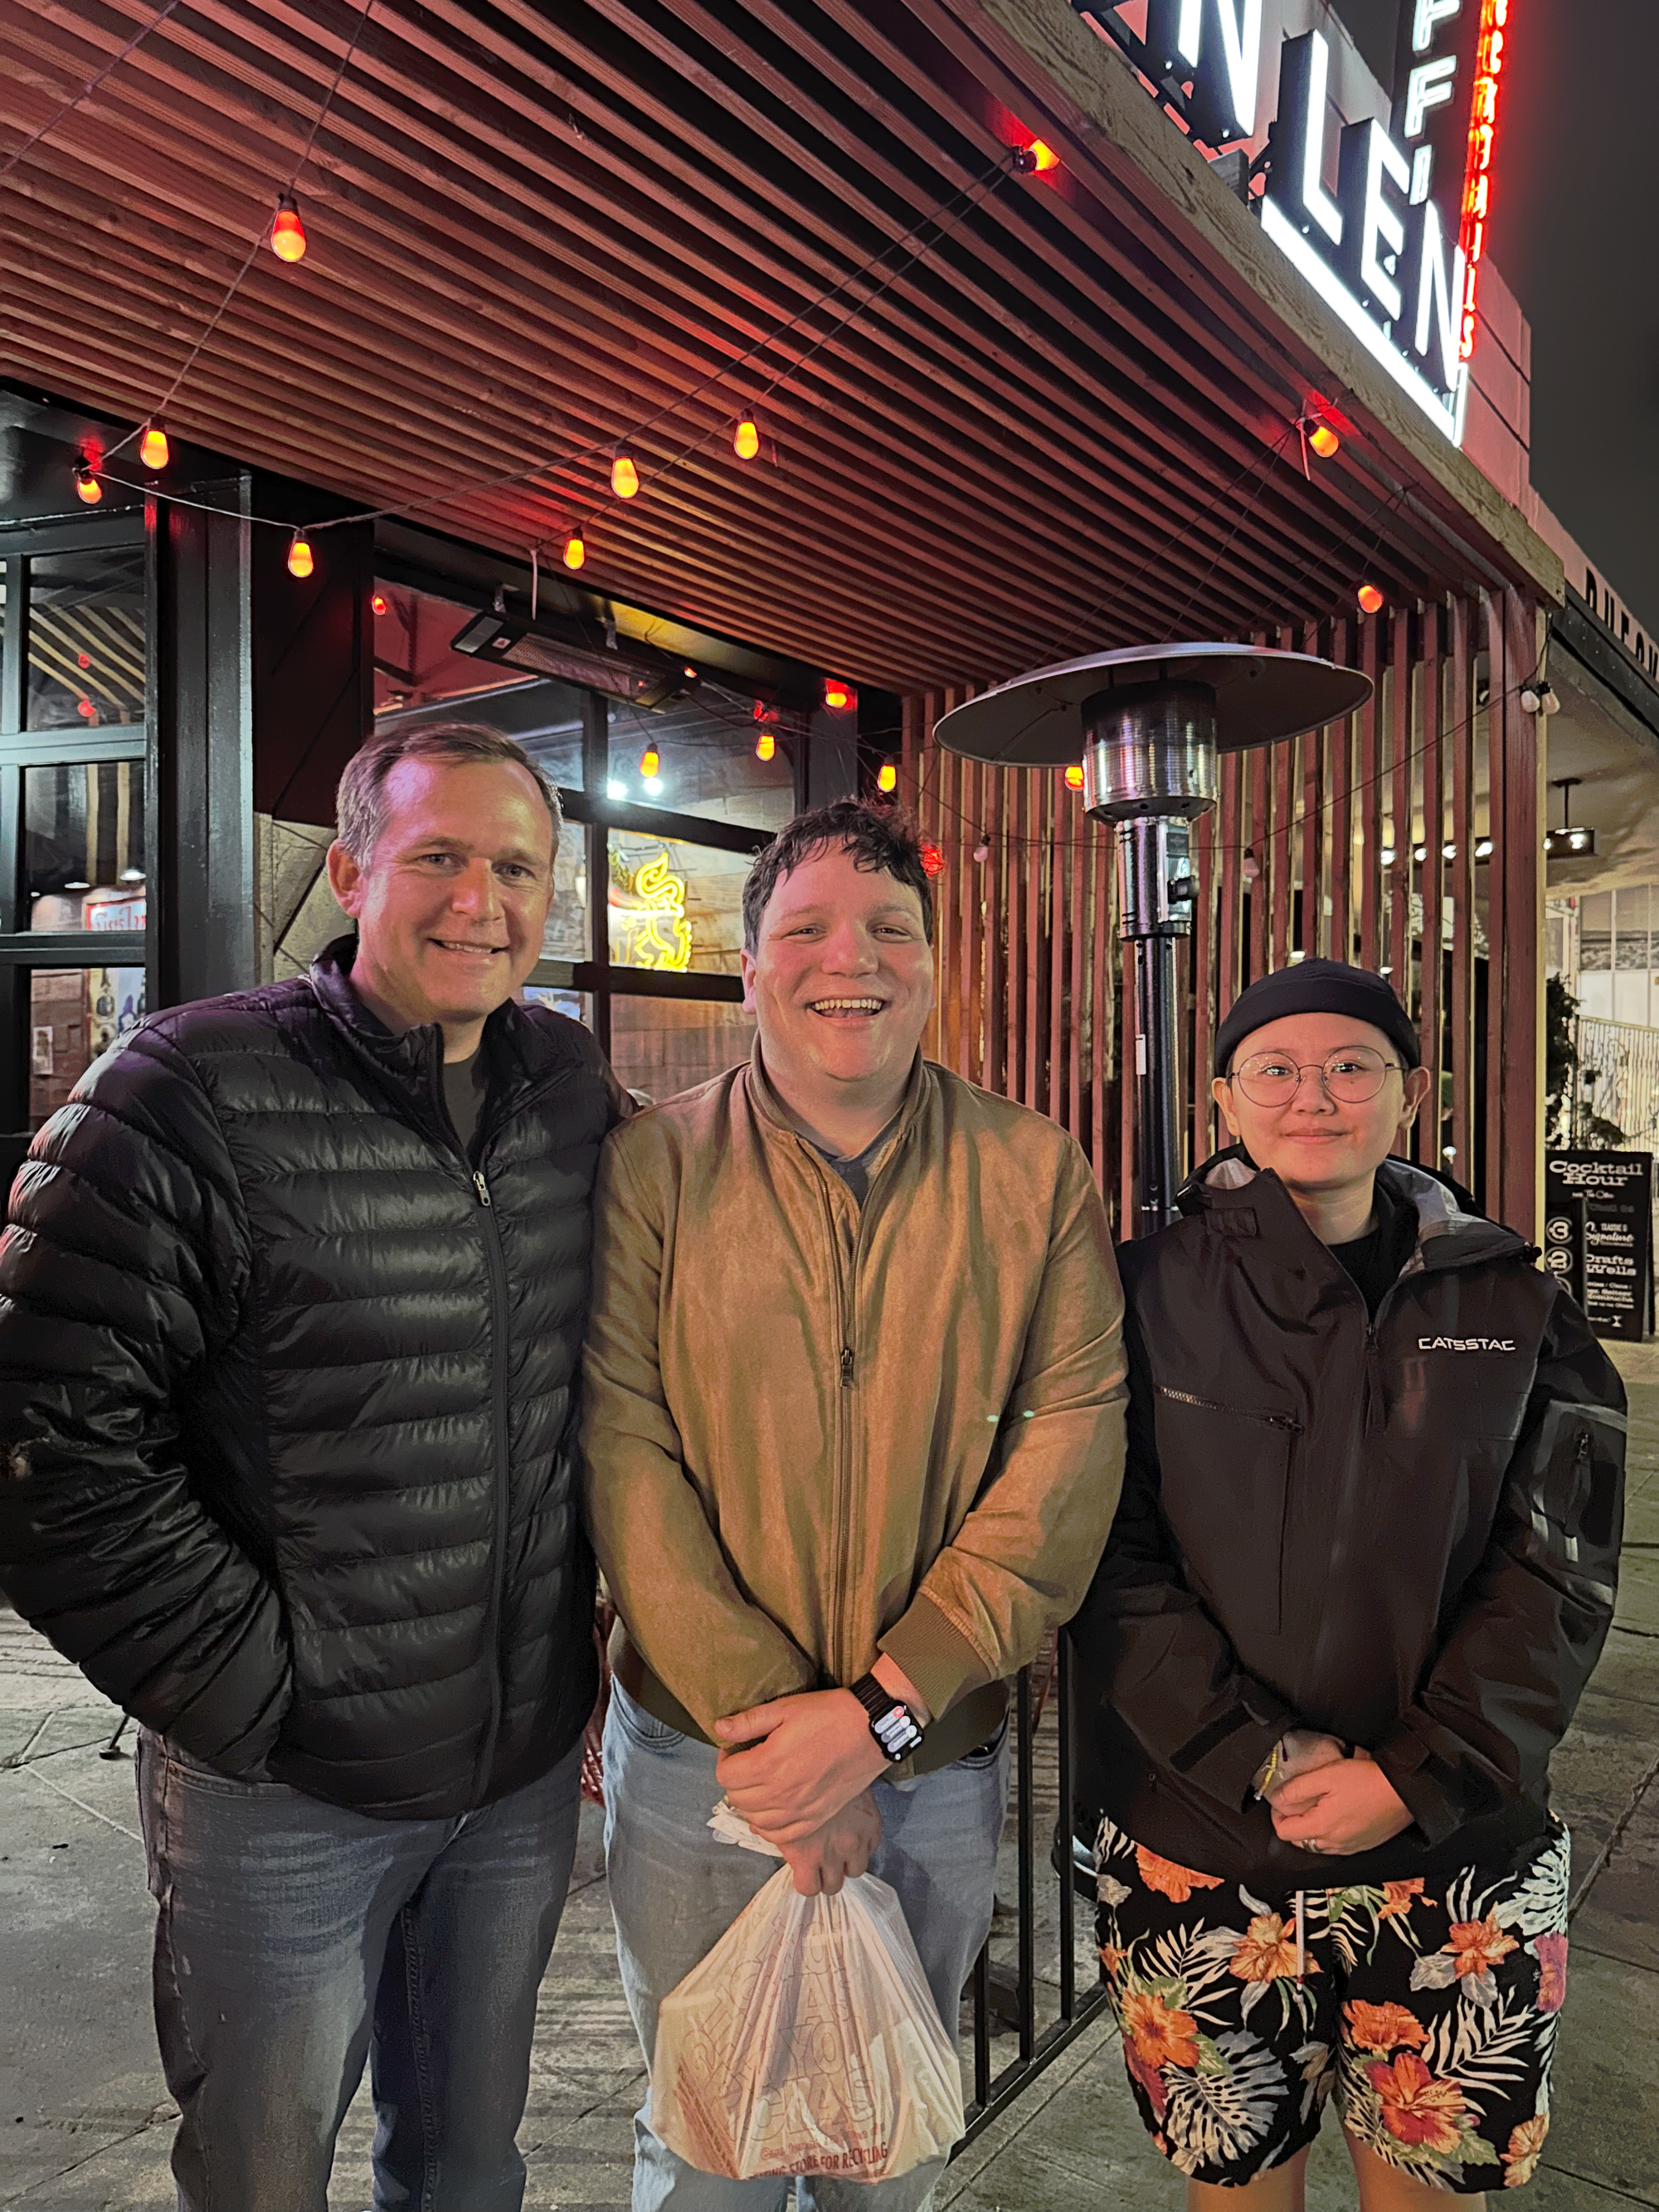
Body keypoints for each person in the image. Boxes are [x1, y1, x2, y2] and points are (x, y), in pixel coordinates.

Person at [0, 722, 630, 2212]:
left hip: (514, 1777)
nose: (481, 897)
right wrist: (251, 1688)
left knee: (471, 2171)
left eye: (516, 866)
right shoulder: (187, 1087)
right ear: (351, 870)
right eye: (440, 857)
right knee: (264, 2176)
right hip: (281, 1793)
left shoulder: (568, 1088)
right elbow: (41, 1437)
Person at [581, 799, 1128, 2210]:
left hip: (932, 1757)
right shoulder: (656, 1167)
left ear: (937, 964)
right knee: (706, 2138)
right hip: (707, 1757)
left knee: (891, 2137)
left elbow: (1066, 1463)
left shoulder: (1031, 1172)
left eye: (894, 927)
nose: (855, 957)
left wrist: (878, 1712)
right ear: (749, 963)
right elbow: (625, 1449)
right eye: (810, 926)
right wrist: (779, 1730)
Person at [1073, 957, 1625, 2209]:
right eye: (1274, 1067)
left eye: (1351, 1065)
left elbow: (1560, 1566)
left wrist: (1413, 1774)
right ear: (1223, 1097)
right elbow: (1102, 1552)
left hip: (1457, 1858)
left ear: (1410, 1091)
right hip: (1203, 1845)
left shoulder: (1519, 1301)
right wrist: (1254, 1756)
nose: (1311, 1094)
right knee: (1238, 2187)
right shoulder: (1137, 1292)